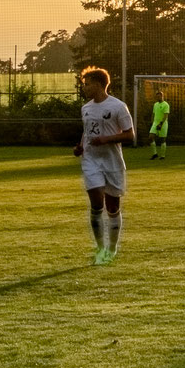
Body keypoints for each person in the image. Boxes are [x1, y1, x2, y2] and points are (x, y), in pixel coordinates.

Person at [73, 67, 134, 264]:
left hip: (112, 161)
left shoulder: (118, 107)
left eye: (87, 84)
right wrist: (81, 145)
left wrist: (107, 139)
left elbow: (130, 134)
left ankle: (112, 248)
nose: (85, 88)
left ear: (99, 84)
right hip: (91, 160)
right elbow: (86, 131)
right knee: (96, 203)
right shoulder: (86, 108)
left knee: (113, 207)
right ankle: (100, 249)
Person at [148, 95, 170, 160]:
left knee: (163, 139)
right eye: (157, 96)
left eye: (159, 96)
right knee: (150, 137)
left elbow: (166, 116)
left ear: (162, 96)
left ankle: (162, 156)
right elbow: (153, 114)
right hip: (155, 123)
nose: (158, 98)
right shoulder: (155, 104)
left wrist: (161, 124)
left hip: (163, 124)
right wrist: (152, 122)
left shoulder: (166, 104)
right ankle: (155, 154)